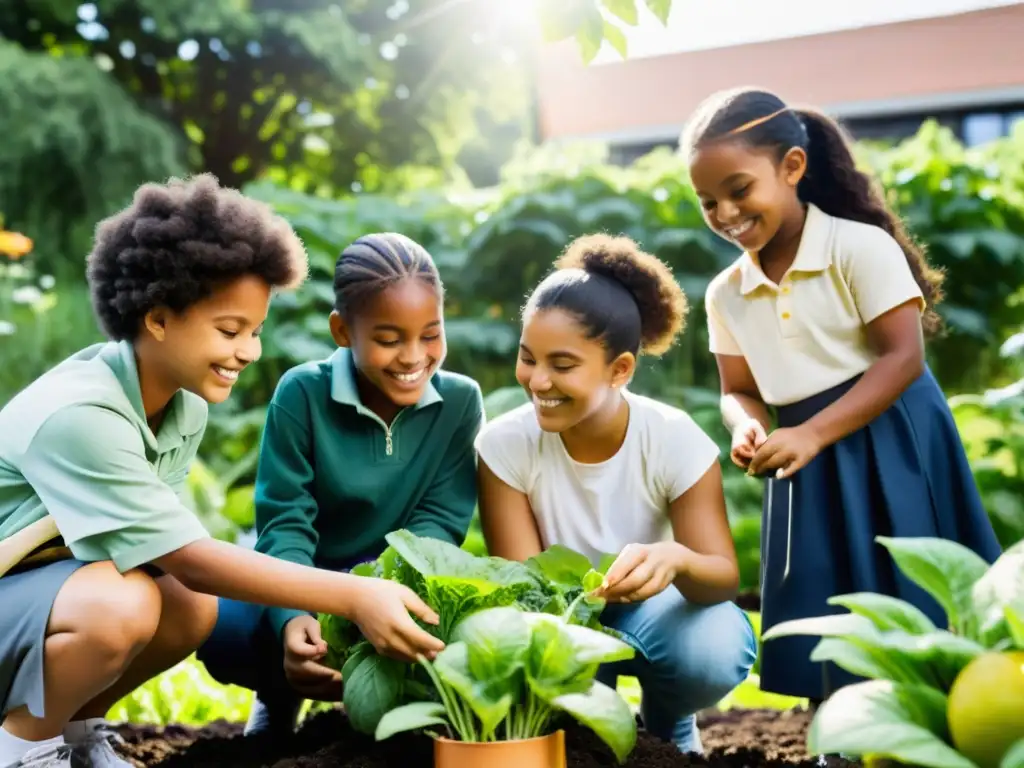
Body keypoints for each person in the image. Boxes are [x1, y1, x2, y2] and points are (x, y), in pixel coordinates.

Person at [0, 177, 445, 768]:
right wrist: (353, 594)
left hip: (34, 592)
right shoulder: (80, 415)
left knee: (186, 606)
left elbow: (166, 563)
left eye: (255, 331)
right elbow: (191, 555)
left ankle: (74, 736)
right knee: (121, 604)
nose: (251, 352)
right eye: (230, 331)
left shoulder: (180, 405)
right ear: (157, 319)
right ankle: (21, 746)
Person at [683, 86, 1004, 703]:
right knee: (820, 588)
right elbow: (739, 390)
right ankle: (840, 725)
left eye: (739, 190)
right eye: (708, 202)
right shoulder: (726, 293)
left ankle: (945, 715)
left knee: (910, 578)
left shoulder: (858, 248)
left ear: (792, 168)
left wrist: (812, 431)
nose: (725, 213)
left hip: (890, 430)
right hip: (805, 456)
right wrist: (744, 425)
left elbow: (903, 357)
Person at [474, 234, 758, 755]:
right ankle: (587, 728)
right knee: (577, 731)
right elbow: (524, 589)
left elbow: (721, 578)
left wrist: (675, 559)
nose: (537, 381)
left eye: (562, 366)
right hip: (560, 618)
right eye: (527, 358)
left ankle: (668, 720)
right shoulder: (503, 445)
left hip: (654, 611)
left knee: (714, 647)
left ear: (620, 369)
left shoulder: (674, 439)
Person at [197, 232, 485, 737]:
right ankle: (279, 694)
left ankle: (399, 709)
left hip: (400, 583)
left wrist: (379, 602)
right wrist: (293, 617)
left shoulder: (460, 402)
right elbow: (285, 521)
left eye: (431, 334)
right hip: (305, 579)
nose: (413, 357)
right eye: (389, 339)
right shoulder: (302, 393)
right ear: (343, 331)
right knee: (223, 627)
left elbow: (439, 524)